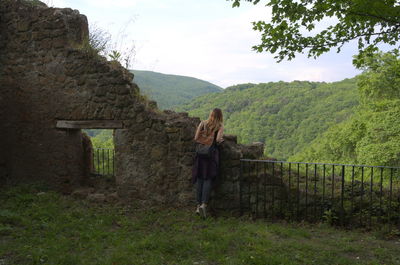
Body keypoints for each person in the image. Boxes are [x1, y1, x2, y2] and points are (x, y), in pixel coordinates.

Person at [192, 108, 224, 218]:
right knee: (208, 179)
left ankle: (197, 205)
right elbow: (219, 140)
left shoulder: (203, 123)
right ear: (220, 116)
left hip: (200, 154)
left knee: (200, 179)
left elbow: (196, 138)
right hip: (211, 155)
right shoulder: (219, 126)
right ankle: (203, 205)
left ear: (210, 114)